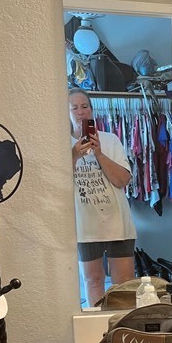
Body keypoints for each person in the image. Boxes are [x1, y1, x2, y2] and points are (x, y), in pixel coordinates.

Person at [69, 89, 136, 307]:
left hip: (117, 222)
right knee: (93, 280)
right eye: (74, 108)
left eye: (85, 106)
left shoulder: (110, 139)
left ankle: (123, 328)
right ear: (67, 113)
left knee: (123, 284)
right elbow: (58, 181)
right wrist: (75, 154)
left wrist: (98, 153)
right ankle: (98, 332)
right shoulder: (61, 144)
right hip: (85, 224)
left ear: (92, 109)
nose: (80, 112)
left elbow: (122, 179)